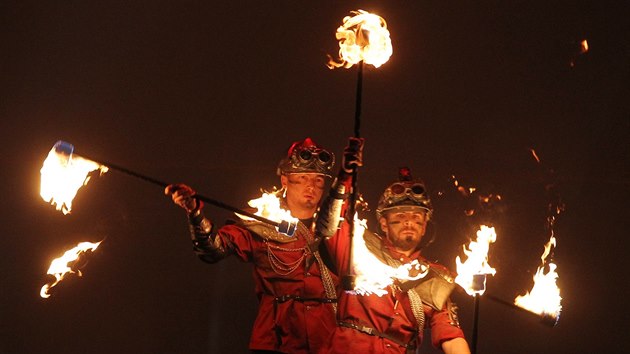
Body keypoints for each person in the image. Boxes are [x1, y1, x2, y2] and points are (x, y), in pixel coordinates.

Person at [165, 138, 341, 354]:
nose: (310, 186)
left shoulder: (343, 230)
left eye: (318, 181)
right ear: (285, 180)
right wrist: (194, 212)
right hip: (277, 341)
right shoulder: (261, 221)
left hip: (328, 342)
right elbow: (213, 249)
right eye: (303, 178)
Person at [318, 161, 471, 354]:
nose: (409, 222)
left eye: (416, 217)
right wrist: (346, 174)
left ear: (424, 226)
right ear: (384, 223)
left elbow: (451, 336)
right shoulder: (357, 248)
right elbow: (330, 223)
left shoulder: (434, 279)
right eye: (400, 216)